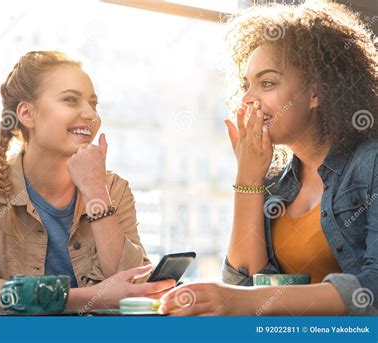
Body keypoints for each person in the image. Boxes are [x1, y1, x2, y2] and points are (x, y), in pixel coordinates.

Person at [160, 1, 377, 316]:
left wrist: (241, 300)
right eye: (247, 85)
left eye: (268, 83)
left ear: (316, 92)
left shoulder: (370, 162)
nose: (249, 98)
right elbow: (244, 284)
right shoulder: (277, 183)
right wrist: (248, 179)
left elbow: (373, 287)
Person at [0, 51, 173, 315]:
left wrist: (95, 191)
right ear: (27, 113)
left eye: (93, 104)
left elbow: (131, 288)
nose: (90, 115)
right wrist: (89, 297)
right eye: (70, 100)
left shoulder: (113, 189)